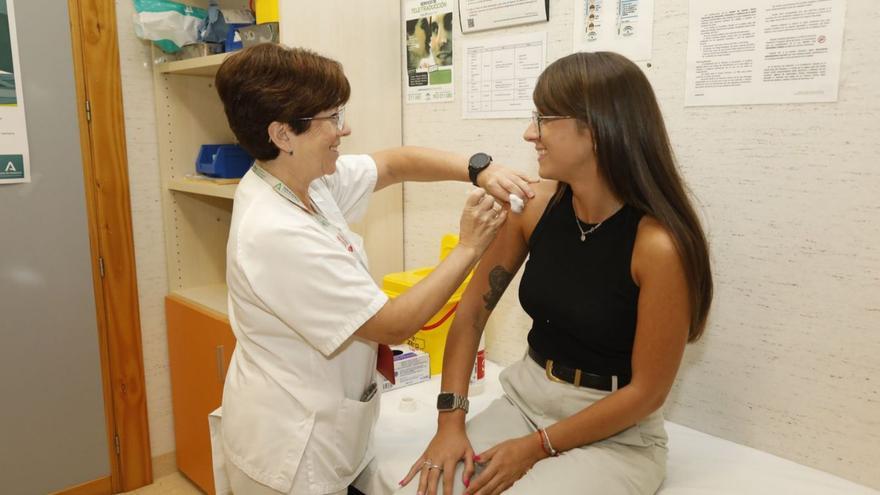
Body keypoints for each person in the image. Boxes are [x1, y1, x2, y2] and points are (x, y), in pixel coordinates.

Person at [213, 43, 538, 495]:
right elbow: (392, 324)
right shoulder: (275, 231)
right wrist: (467, 248)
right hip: (292, 449)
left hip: (332, 425)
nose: (344, 130)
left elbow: (393, 164)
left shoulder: (303, 181)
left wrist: (477, 169)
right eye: (331, 118)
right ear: (283, 134)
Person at [399, 51, 714, 495]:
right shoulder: (533, 207)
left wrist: (536, 446)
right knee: (434, 488)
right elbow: (471, 313)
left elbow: (646, 393)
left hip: (616, 432)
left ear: (598, 129)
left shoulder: (658, 246)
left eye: (544, 118)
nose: (531, 134)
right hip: (525, 401)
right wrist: (451, 421)